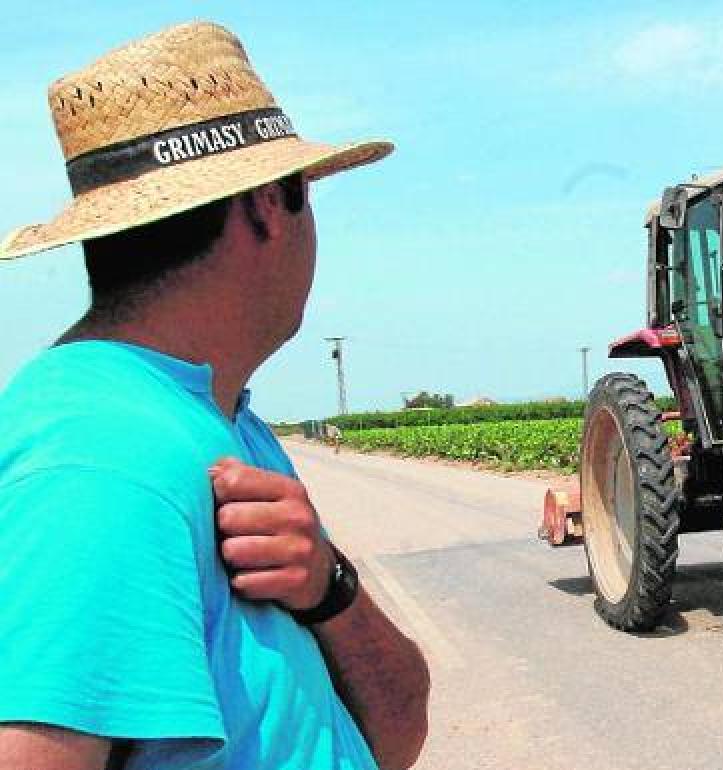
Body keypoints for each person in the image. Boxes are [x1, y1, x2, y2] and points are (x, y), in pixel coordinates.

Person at [0, 22, 429, 770]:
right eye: (308, 195)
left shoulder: (219, 418)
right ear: (267, 204)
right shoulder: (98, 459)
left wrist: (331, 588)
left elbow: (395, 735)